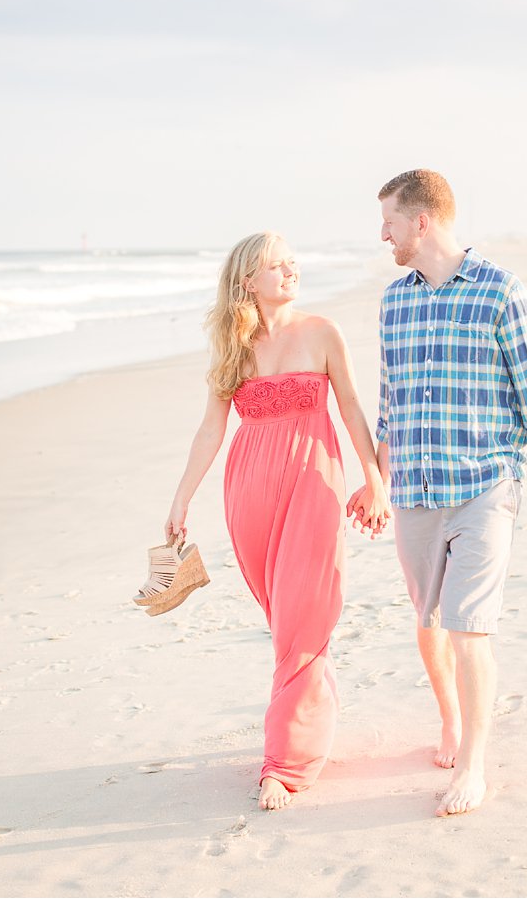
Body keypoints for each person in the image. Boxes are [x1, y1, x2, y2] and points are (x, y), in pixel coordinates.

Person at [367, 168, 527, 817]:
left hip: (485, 486)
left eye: (390, 221)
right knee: (429, 621)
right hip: (414, 491)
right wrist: (377, 481)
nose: (384, 234)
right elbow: (390, 406)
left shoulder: (500, 292)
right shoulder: (394, 301)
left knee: (468, 626)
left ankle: (474, 765)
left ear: (422, 219)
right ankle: (451, 720)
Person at [164, 232, 391, 811]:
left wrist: (375, 479)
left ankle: (285, 765)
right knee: (287, 623)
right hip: (249, 490)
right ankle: (312, 718)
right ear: (248, 281)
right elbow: (211, 430)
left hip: (316, 480)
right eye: (277, 265)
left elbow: (351, 407)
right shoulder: (233, 348)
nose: (291, 271)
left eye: (293, 262)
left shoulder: (323, 333)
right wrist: (181, 499)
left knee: (305, 614)